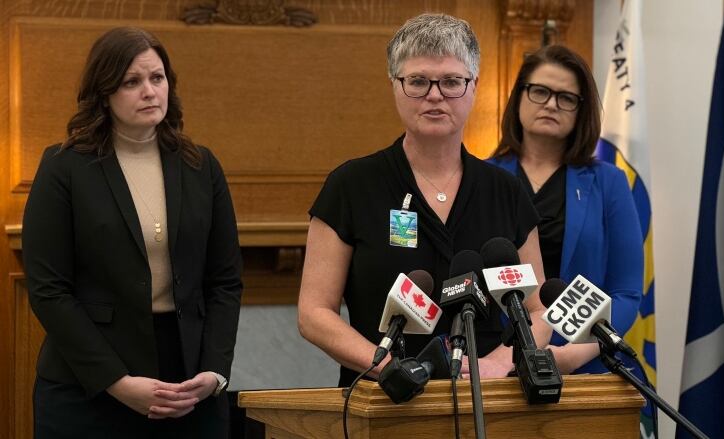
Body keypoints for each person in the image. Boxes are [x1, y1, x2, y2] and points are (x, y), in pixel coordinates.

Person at [297, 13, 550, 387]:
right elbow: (313, 312)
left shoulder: (506, 191)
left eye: (451, 82)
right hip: (384, 398)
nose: (435, 95)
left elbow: (538, 309)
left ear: (474, 86)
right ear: (395, 86)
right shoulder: (351, 185)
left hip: (489, 396)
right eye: (417, 81)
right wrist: (387, 366)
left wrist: (501, 362)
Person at [22, 27, 242, 437]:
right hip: (89, 384)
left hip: (187, 384)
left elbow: (225, 281)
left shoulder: (201, 165)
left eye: (157, 78)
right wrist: (116, 382)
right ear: (104, 92)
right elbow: (48, 289)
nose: (149, 91)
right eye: (131, 82)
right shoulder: (64, 167)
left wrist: (214, 371)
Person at [487, 45, 643, 374]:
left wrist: (572, 355)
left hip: (586, 369)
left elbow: (626, 293)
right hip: (496, 367)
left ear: (580, 110)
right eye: (540, 91)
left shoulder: (608, 182)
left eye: (566, 97)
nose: (551, 104)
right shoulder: (482, 178)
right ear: (519, 97)